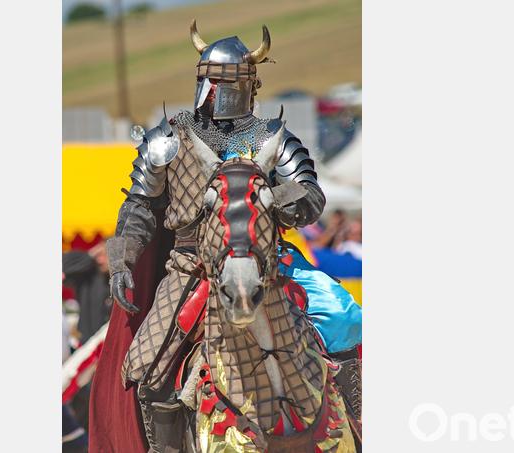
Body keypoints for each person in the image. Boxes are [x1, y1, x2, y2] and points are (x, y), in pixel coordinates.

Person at [91, 20, 358, 452]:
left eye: (224, 83)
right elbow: (140, 206)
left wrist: (272, 198)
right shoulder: (170, 140)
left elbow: (310, 195)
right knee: (147, 368)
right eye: (214, 83)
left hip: (270, 263)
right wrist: (123, 261)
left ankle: (357, 427)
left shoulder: (270, 138)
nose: (219, 92)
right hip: (190, 269)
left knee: (346, 320)